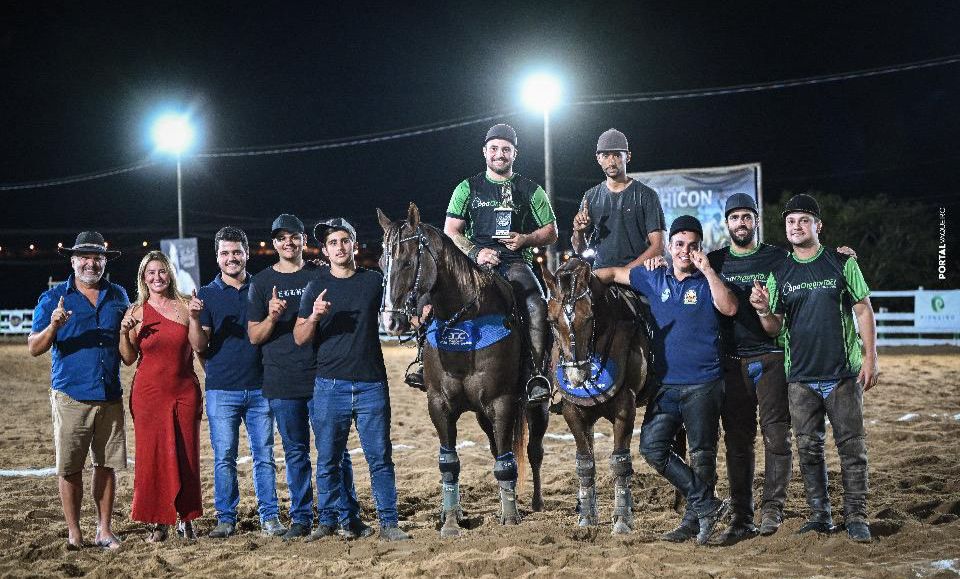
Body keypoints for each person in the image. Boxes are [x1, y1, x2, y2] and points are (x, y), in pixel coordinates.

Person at [595, 215, 737, 545]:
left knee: (702, 454)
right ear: (670, 247)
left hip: (704, 383)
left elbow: (729, 308)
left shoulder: (708, 280)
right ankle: (707, 504)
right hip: (666, 385)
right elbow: (614, 273)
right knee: (652, 448)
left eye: (693, 246)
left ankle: (694, 521)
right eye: (679, 245)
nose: (686, 251)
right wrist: (584, 278)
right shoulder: (653, 276)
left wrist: (709, 270)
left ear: (700, 248)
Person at [750, 193, 879, 543]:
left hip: (842, 375)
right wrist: (763, 310)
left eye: (803, 220)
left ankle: (856, 517)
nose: (796, 226)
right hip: (801, 379)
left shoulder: (841, 263)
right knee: (809, 451)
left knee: (852, 449)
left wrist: (870, 357)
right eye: (791, 221)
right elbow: (775, 327)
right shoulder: (780, 271)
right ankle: (820, 516)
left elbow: (863, 309)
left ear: (817, 226)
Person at [247, 213, 366, 541]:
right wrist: (272, 317)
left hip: (324, 376)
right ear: (274, 244)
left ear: (304, 241)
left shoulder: (321, 274)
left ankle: (347, 516)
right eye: (282, 237)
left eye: (294, 236)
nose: (289, 242)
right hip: (282, 380)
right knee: (296, 452)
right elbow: (255, 336)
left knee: (335, 451)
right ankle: (301, 518)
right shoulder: (259, 284)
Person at [294, 218, 410, 542]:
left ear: (354, 245)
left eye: (344, 240)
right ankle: (328, 520)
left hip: (372, 384)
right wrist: (315, 315)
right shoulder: (316, 286)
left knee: (380, 459)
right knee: (328, 460)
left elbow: (398, 314)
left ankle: (389, 523)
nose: (339, 247)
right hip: (329, 386)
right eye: (333, 242)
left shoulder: (374, 281)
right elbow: (300, 337)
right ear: (325, 250)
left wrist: (418, 316)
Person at [28, 231, 129, 550]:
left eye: (97, 257)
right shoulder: (53, 299)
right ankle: (75, 533)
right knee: (70, 467)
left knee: (106, 465)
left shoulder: (118, 295)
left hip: (110, 395)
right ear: (72, 261)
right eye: (84, 257)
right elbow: (34, 347)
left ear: (104, 262)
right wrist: (54, 326)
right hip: (70, 396)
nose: (91, 263)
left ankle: (104, 530)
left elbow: (127, 346)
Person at [443, 123, 558, 402]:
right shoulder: (467, 188)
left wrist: (526, 239)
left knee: (536, 303)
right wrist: (475, 253)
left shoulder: (530, 189)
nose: (499, 154)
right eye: (494, 148)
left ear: (514, 154)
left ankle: (536, 375)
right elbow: (451, 231)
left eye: (506, 149)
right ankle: (425, 362)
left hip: (514, 261)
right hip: (473, 263)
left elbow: (552, 231)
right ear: (484, 152)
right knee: (434, 290)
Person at [704, 193, 793, 542]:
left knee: (777, 436)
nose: (741, 222)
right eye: (735, 217)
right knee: (737, 442)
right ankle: (742, 517)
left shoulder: (777, 257)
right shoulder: (714, 260)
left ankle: (772, 510)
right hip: (730, 362)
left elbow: (809, 262)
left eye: (747, 216)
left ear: (756, 220)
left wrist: (840, 256)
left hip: (770, 357)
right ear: (727, 223)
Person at [186, 226, 285, 538]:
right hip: (222, 391)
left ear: (246, 253)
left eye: (237, 252)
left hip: (261, 389)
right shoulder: (205, 295)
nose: (231, 258)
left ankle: (270, 518)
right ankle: (226, 520)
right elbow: (199, 345)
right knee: (224, 458)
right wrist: (192, 318)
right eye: (225, 253)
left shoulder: (263, 287)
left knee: (264, 456)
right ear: (217, 257)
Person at [119, 250, 202, 542]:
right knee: (152, 458)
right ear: (143, 278)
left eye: (162, 271)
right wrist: (123, 333)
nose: (157, 277)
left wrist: (195, 318)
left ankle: (187, 518)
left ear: (170, 274)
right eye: (150, 273)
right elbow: (128, 358)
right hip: (149, 395)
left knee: (187, 456)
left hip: (184, 392)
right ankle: (158, 522)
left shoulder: (185, 306)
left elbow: (199, 346)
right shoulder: (135, 312)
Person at [571, 128, 665, 270]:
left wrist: (623, 273)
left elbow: (658, 246)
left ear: (628, 156)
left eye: (616, 155)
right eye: (606, 155)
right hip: (602, 276)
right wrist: (579, 232)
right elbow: (580, 250)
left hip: (637, 276)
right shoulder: (590, 197)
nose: (611, 161)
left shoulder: (646, 195)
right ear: (598, 158)